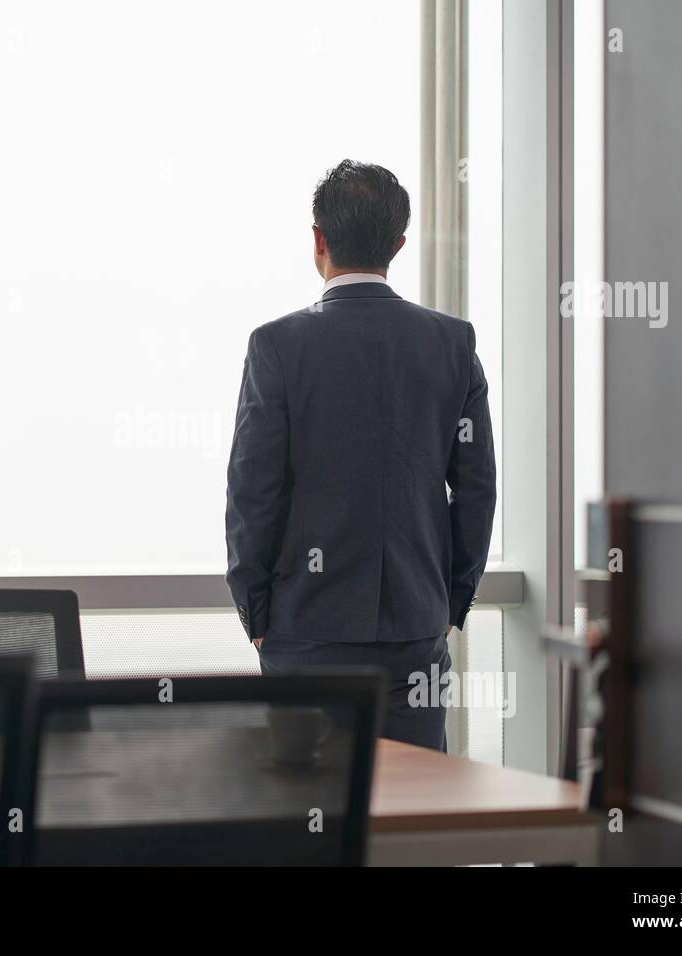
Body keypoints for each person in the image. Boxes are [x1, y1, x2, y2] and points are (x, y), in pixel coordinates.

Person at [224, 159, 496, 751]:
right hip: (415, 634)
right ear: (398, 244)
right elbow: (475, 490)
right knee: (415, 818)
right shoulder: (453, 344)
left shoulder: (277, 347)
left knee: (305, 824)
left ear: (318, 241)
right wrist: (449, 602)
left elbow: (253, 491)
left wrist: (258, 615)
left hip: (304, 632)